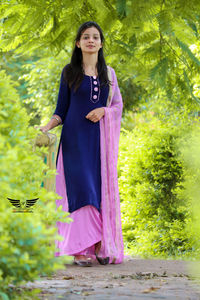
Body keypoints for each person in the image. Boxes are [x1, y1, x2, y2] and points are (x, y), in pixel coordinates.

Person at [40, 21, 124, 266]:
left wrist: (103, 112)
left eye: (95, 37)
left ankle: (100, 244)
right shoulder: (69, 72)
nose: (90, 40)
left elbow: (117, 107)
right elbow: (61, 111)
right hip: (74, 142)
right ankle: (79, 248)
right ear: (78, 43)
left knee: (98, 191)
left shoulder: (109, 74)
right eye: (85, 37)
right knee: (80, 190)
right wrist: (46, 127)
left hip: (99, 143)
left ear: (100, 43)